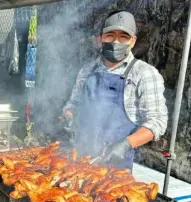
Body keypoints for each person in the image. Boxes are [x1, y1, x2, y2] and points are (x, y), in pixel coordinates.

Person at [62, 10, 168, 170]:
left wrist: (125, 144)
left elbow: (157, 122)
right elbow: (73, 105)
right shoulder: (87, 70)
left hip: (116, 169)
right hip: (80, 160)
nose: (116, 41)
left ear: (132, 41)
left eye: (123, 37)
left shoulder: (144, 73)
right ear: (100, 39)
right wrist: (69, 117)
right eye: (110, 35)